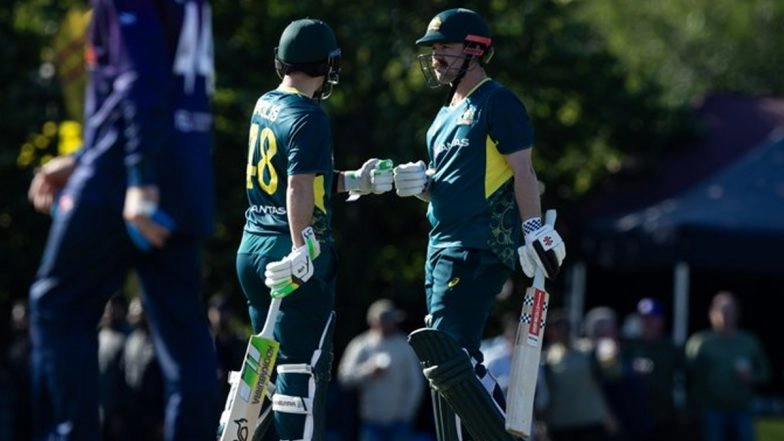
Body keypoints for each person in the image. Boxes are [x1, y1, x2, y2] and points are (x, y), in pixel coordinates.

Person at [26, 1, 219, 440]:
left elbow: (140, 78)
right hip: (184, 176)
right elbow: (160, 84)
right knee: (185, 341)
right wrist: (81, 157)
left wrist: (140, 177)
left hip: (124, 182)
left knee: (55, 305)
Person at [393, 8, 566, 441]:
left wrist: (532, 229)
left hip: (479, 244)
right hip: (440, 245)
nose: (435, 57)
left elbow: (524, 171)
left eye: (444, 48)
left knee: (452, 356)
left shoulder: (496, 101)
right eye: (433, 49)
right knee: (446, 360)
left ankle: (504, 429)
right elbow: (454, 185)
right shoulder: (441, 117)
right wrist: (422, 186)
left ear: (474, 50)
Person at [231, 17, 394, 441]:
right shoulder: (309, 115)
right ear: (325, 65)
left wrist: (354, 181)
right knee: (301, 369)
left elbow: (304, 178)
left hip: (253, 248)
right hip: (290, 252)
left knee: (266, 369)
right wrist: (302, 244)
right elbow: (298, 187)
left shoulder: (265, 102)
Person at [685, 291, 772, 441]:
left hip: (742, 409)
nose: (725, 315)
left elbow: (765, 373)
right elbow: (687, 375)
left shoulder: (748, 342)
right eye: (721, 311)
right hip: (711, 410)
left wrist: (752, 377)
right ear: (711, 313)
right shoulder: (700, 343)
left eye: (730, 311)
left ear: (737, 314)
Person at [337, 299, 425, 441]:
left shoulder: (405, 346)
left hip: (400, 423)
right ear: (374, 321)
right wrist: (367, 371)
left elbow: (415, 383)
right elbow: (344, 378)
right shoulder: (361, 345)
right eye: (385, 319)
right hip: (370, 421)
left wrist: (407, 412)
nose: (389, 323)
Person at [541, 309, 617, 441]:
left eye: (565, 326)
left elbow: (611, 375)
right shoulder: (547, 357)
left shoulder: (589, 349)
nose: (562, 331)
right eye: (557, 328)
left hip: (591, 420)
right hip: (561, 424)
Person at [624, 297, 687, 441]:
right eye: (644, 318)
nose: (648, 322)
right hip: (634, 416)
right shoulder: (628, 347)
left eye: (653, 318)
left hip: (664, 416)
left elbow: (686, 376)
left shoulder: (669, 348)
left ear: (661, 321)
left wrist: (685, 407)